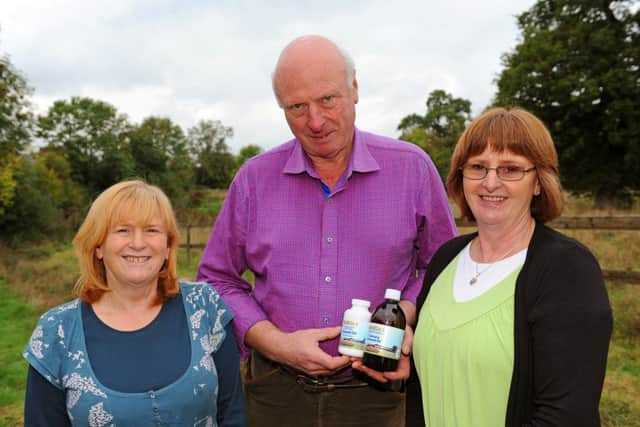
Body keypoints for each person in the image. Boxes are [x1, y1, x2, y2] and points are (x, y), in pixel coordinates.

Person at [196, 35, 456, 427]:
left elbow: (445, 267)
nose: (315, 122)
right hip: (275, 392)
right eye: (297, 107)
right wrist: (277, 344)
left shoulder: (412, 169)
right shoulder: (254, 179)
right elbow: (216, 278)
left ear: (354, 89)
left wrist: (400, 314)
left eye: (327, 100)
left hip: (379, 390)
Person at [412, 107, 613, 426]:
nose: (491, 183)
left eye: (510, 169)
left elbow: (566, 415)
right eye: (478, 166)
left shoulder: (567, 270)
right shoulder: (445, 259)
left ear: (538, 183)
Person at [23, 179, 247, 426]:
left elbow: (233, 413)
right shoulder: (57, 332)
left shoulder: (205, 307)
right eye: (123, 230)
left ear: (167, 246)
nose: (138, 243)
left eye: (152, 230)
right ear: (98, 245)